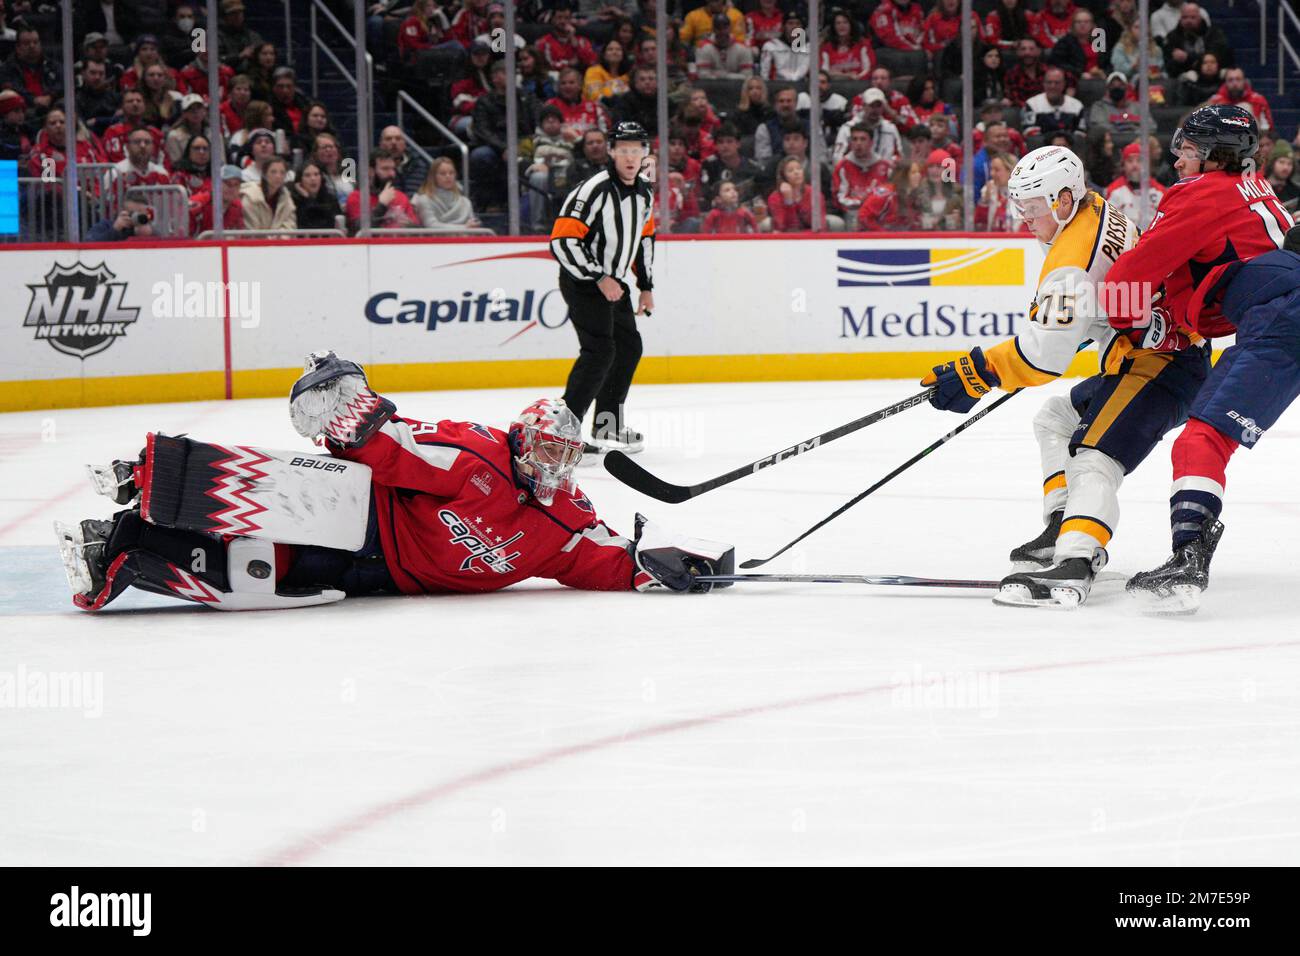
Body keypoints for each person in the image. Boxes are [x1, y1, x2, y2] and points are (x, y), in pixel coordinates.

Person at [58, 356, 733, 612]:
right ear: (523, 443)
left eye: (562, 461)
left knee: (259, 573)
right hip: (364, 516)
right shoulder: (477, 459)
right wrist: (354, 421)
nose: (551, 472)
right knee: (269, 512)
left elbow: (600, 555)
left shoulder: (562, 524)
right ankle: (147, 477)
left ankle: (122, 550)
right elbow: (400, 446)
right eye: (543, 455)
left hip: (380, 577)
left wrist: (656, 565)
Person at [921, 145, 1209, 607]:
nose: (1024, 218)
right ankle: (1061, 524)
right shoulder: (1094, 207)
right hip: (1155, 352)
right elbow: (1102, 302)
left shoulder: (1069, 262)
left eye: (1031, 207)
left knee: (1094, 452)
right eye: (1020, 206)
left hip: (1160, 364)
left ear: (1061, 200)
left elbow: (1043, 357)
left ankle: (1076, 560)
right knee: (1056, 419)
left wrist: (977, 371)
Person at [1101, 106, 1296, 611]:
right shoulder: (1258, 189)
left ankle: (1188, 557)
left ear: (1212, 155)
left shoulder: (1197, 193)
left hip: (1283, 318)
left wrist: (1137, 328)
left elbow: (1125, 281)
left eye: (1188, 151)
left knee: (1202, 437)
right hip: (1277, 313)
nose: (1179, 161)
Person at [549, 121, 655, 454]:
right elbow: (562, 241)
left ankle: (607, 426)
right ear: (611, 151)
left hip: (615, 284)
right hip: (583, 282)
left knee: (628, 346)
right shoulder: (593, 189)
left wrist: (646, 286)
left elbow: (643, 241)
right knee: (599, 353)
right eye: (623, 149)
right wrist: (598, 277)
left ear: (645, 154)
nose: (630, 156)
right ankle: (563, 434)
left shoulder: (644, 193)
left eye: (636, 150)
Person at [346, 148, 418, 232]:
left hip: (398, 243)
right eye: (385, 169)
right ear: (370, 171)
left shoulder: (401, 196)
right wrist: (382, 205)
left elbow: (417, 230)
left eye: (393, 169)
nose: (391, 174)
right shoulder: (357, 197)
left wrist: (409, 225)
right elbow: (359, 230)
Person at [1104, 140, 1165, 228]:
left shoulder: (1160, 191)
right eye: (1130, 161)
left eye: (1139, 160)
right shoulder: (1114, 190)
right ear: (1123, 164)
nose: (1134, 165)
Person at [413, 156, 482, 230]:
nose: (448, 176)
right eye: (443, 173)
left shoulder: (466, 202)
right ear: (433, 177)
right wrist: (464, 227)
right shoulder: (424, 200)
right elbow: (431, 225)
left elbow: (473, 226)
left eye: (451, 173)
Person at [240, 155, 296, 231]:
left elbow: (290, 225)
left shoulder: (286, 197)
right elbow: (251, 231)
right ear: (264, 174)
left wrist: (280, 238)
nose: (278, 176)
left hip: (279, 242)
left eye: (282, 172)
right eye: (273, 172)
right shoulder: (250, 198)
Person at [86, 189, 157, 241]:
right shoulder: (107, 225)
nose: (136, 216)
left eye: (140, 213)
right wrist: (115, 229)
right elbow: (89, 241)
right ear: (122, 211)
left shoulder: (150, 228)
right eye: (132, 213)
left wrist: (150, 236)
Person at [292, 160, 341, 231]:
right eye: (307, 175)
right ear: (300, 180)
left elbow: (325, 225)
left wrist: (309, 200)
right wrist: (306, 198)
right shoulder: (293, 201)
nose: (313, 178)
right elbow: (305, 226)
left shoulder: (330, 199)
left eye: (316, 174)